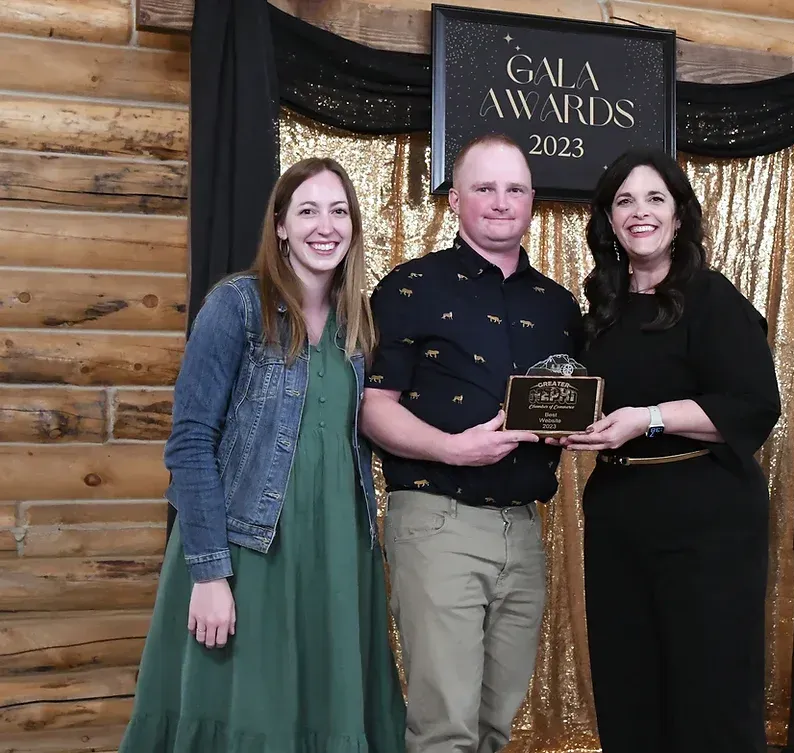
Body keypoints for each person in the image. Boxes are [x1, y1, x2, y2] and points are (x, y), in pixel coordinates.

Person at [119, 158, 406, 752]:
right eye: (307, 211)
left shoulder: (360, 323)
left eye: (338, 211)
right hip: (251, 552)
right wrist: (209, 572)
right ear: (279, 226)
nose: (324, 226)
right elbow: (191, 440)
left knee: (326, 712)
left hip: (339, 556)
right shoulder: (238, 306)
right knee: (250, 711)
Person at [361, 134, 582, 753]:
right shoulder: (410, 287)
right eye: (484, 188)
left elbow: (569, 401)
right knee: (444, 727)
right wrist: (452, 448)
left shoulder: (560, 306)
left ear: (533, 201)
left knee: (494, 727)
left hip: (524, 526)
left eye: (514, 189)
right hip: (437, 520)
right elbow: (373, 409)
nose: (500, 201)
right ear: (454, 199)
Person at [555, 148, 781, 752]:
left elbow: (753, 404)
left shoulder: (712, 299)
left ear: (679, 217)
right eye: (624, 200)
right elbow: (586, 401)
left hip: (707, 522)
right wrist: (563, 425)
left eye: (655, 198)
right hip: (619, 517)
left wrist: (646, 419)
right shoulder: (601, 311)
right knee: (629, 684)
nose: (640, 212)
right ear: (608, 220)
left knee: (710, 690)